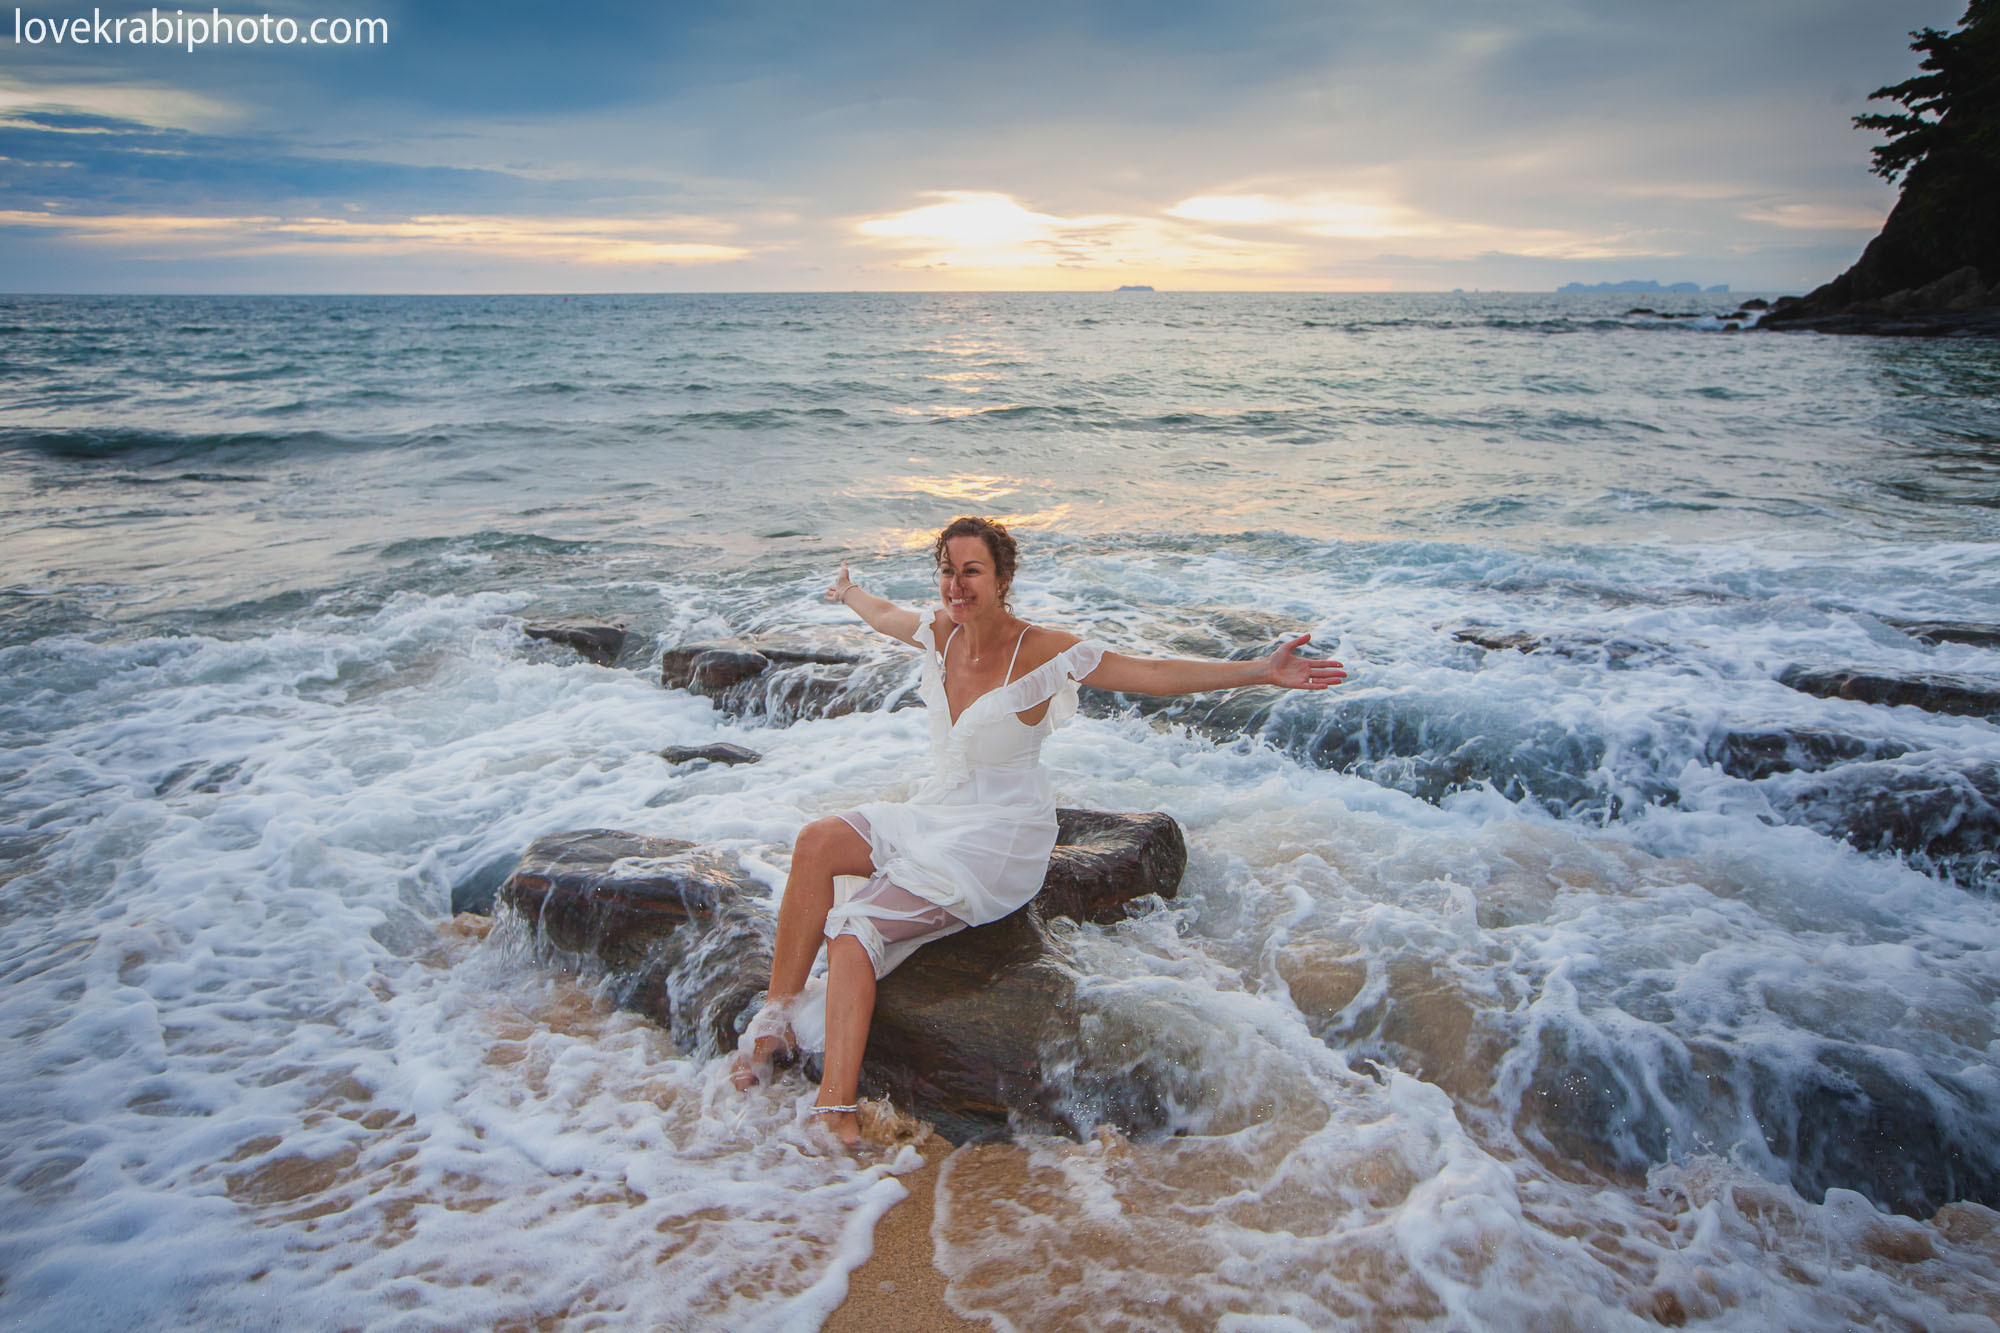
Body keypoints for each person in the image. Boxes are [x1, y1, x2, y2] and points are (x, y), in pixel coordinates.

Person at [729, 515, 1346, 1145]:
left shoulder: (1044, 651)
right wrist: (848, 593)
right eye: (947, 570)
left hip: (1000, 838)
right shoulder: (939, 632)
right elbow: (883, 614)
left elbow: (1152, 673)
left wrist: (1260, 672)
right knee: (816, 842)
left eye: (972, 571)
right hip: (938, 811)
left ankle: (837, 1109)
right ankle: (778, 1017)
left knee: (853, 927)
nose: (957, 585)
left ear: (1002, 578)